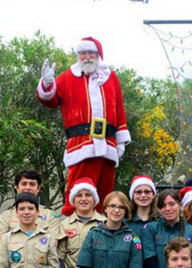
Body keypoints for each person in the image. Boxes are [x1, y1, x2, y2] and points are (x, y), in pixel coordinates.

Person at [37, 36, 131, 216]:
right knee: (79, 192)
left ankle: (104, 229)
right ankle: (72, 231)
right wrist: (47, 84)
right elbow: (50, 100)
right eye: (82, 53)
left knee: (105, 196)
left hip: (108, 145)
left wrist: (120, 141)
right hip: (81, 145)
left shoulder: (111, 78)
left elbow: (119, 109)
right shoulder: (67, 77)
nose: (87, 57)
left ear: (98, 55)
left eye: (91, 53)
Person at [141, 189, 192, 268]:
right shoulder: (150, 229)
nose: (168, 209)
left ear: (180, 206)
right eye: (163, 206)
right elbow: (149, 259)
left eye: (172, 204)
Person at [0, 169, 61, 250]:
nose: (28, 188)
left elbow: (53, 244)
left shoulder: (50, 216)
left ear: (38, 188)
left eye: (32, 184)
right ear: (17, 187)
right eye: (24, 184)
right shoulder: (6, 216)